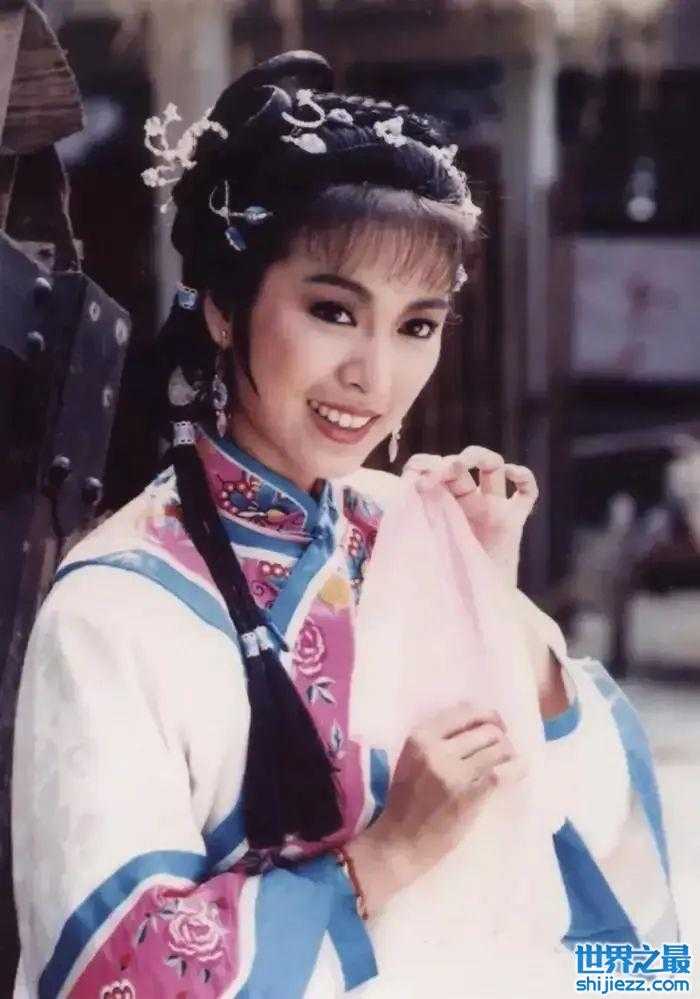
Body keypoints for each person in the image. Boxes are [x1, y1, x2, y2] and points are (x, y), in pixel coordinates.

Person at [12, 51, 677, 999]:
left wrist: (495, 614)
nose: (374, 375)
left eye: (416, 325)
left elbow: (622, 938)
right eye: (333, 310)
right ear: (224, 307)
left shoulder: (420, 526)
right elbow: (112, 972)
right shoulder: (113, 612)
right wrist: (384, 855)